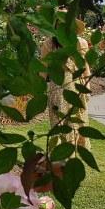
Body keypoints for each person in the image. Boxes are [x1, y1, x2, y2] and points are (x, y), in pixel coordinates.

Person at [40, 19, 91, 150]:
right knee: (67, 122)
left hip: (67, 86)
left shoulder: (79, 43)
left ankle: (64, 157)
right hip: (63, 88)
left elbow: (43, 70)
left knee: (65, 122)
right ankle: (65, 158)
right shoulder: (50, 43)